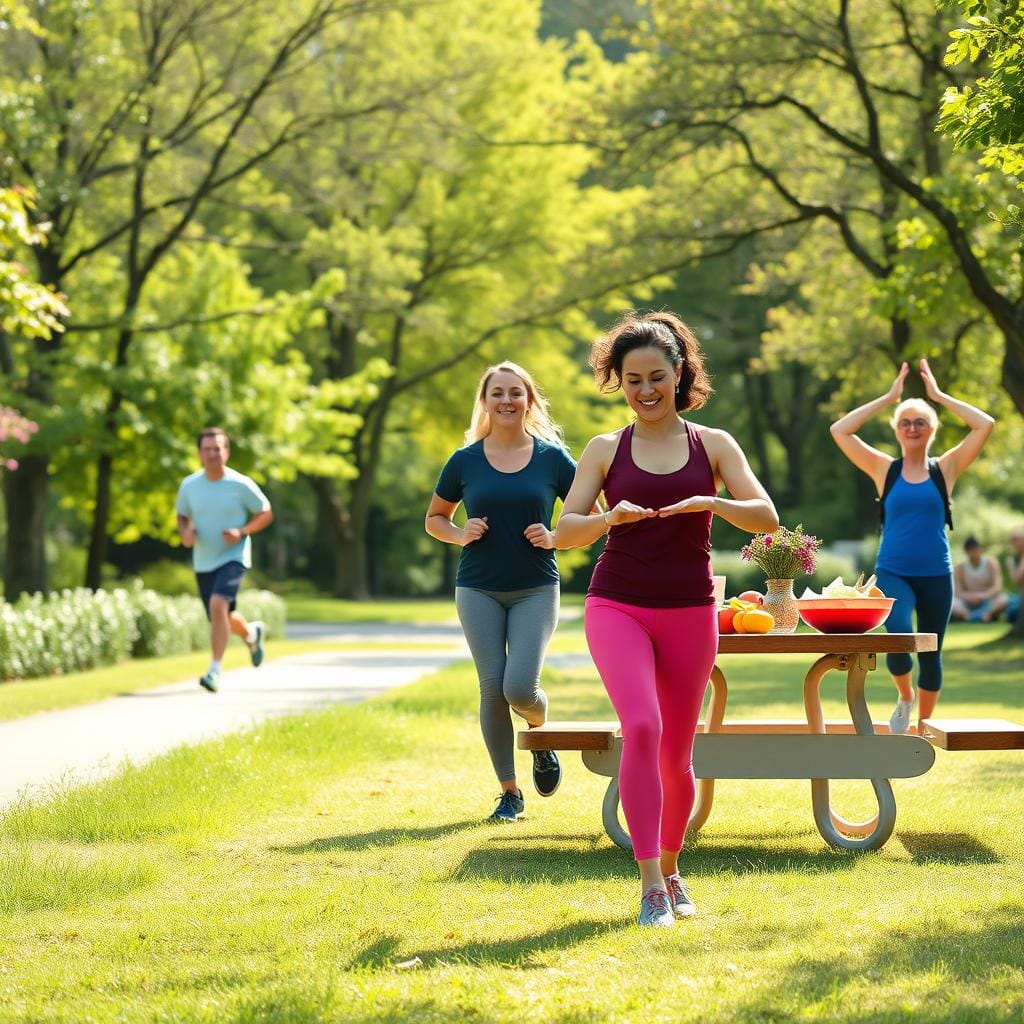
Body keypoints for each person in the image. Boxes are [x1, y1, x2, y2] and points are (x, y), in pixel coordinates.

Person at [553, 311, 778, 928]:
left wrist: (711, 499)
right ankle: (651, 882)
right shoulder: (604, 450)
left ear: (680, 373)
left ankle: (673, 868)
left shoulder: (715, 445)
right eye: (632, 380)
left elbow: (766, 516)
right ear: (616, 382)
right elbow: (563, 531)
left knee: (678, 752)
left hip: (689, 610)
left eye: (657, 376)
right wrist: (607, 519)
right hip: (616, 603)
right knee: (643, 727)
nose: (646, 390)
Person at [424, 362, 577, 823]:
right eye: (497, 393)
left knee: (519, 688)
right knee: (492, 688)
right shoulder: (464, 460)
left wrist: (555, 537)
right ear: (485, 402)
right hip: (478, 588)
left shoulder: (552, 459)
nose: (507, 400)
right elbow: (435, 519)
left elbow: (591, 515)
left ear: (529, 400)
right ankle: (509, 793)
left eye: (516, 392)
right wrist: (459, 532)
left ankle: (539, 730)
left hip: (535, 588)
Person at [830, 359, 994, 735]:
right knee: (900, 635)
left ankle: (924, 728)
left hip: (938, 573)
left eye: (921, 421)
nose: (913, 427)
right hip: (893, 570)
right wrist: (889, 398)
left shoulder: (946, 468)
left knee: (933, 652)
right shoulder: (883, 469)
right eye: (905, 422)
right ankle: (905, 698)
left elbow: (985, 424)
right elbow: (840, 430)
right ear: (897, 430)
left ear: (931, 429)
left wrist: (937, 396)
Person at [176, 427, 274, 692]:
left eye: (217, 448)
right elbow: (182, 515)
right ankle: (251, 634)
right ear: (199, 453)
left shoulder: (240, 484)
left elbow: (265, 512)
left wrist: (242, 531)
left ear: (226, 452)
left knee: (218, 604)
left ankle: (214, 672)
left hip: (234, 555)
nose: (212, 454)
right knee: (222, 617)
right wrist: (185, 533)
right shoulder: (189, 486)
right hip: (203, 559)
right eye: (207, 449)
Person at [951, 536, 1009, 622]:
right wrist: (970, 596)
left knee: (1003, 599)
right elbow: (958, 591)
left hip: (988, 599)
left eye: (975, 549)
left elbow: (997, 587)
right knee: (952, 604)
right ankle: (969, 616)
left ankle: (984, 615)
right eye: (970, 550)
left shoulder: (991, 563)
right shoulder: (960, 567)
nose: (973, 553)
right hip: (967, 602)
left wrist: (982, 596)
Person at [1006, 526, 1024, 624]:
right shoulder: (1013, 560)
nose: (1015, 543)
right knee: (1012, 610)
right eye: (1013, 540)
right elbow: (1016, 579)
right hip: (1020, 595)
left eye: (1017, 539)